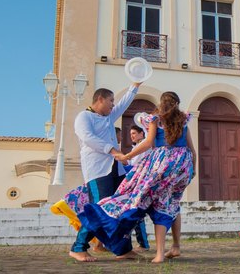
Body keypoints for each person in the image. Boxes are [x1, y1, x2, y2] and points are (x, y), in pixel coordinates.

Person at [80, 91, 196, 263]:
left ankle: (159, 254)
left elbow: (148, 143)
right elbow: (192, 150)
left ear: (161, 104)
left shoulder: (156, 120)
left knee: (159, 205)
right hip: (183, 166)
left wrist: (127, 156)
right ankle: (176, 246)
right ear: (177, 103)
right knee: (173, 203)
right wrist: (193, 169)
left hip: (163, 164)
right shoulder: (183, 120)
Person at [69, 83, 142, 263]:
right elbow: (88, 138)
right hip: (97, 170)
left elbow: (123, 104)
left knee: (124, 206)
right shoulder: (84, 117)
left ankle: (123, 249)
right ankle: (78, 247)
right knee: (99, 209)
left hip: (116, 170)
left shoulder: (109, 118)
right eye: (110, 101)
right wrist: (113, 150)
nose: (112, 104)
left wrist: (134, 85)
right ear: (100, 99)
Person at [126, 124, 150, 250]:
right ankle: (142, 243)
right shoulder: (136, 148)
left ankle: (143, 243)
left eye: (134, 133)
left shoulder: (144, 147)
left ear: (142, 133)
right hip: (135, 182)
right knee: (136, 212)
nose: (132, 136)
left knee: (137, 212)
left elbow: (136, 165)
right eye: (131, 134)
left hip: (141, 182)